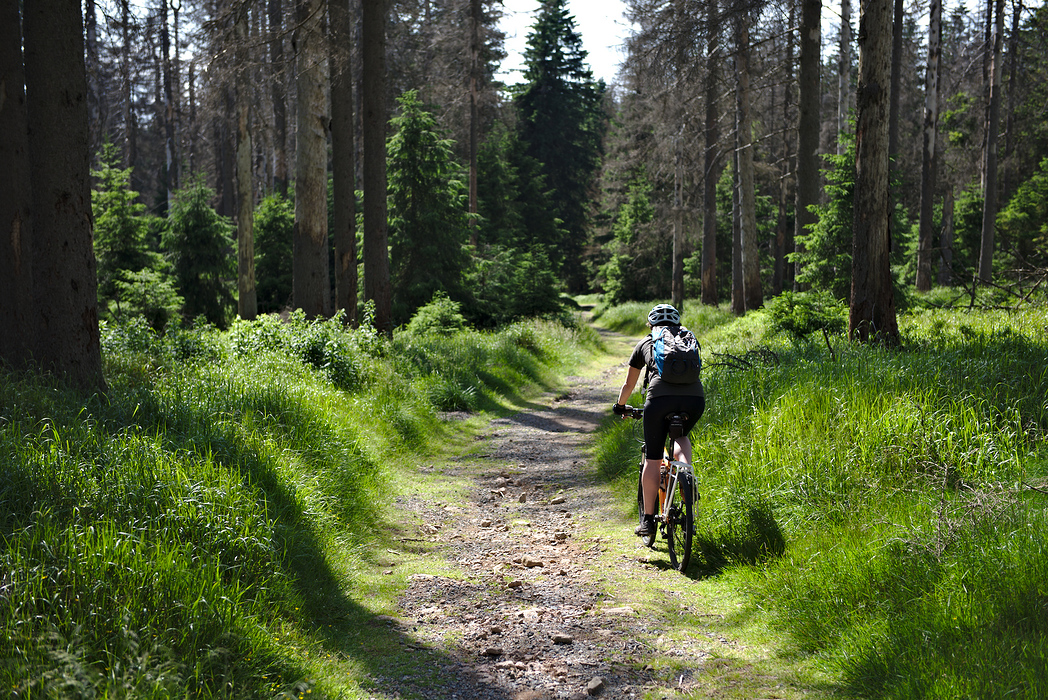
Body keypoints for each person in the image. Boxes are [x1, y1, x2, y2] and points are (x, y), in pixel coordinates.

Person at [612, 303, 705, 538]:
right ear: (677, 322)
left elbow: (629, 384)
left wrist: (620, 406)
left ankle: (648, 521)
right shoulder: (688, 339)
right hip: (694, 399)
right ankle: (686, 473)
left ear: (650, 324)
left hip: (660, 399)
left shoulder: (646, 342)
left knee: (653, 459)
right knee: (681, 435)